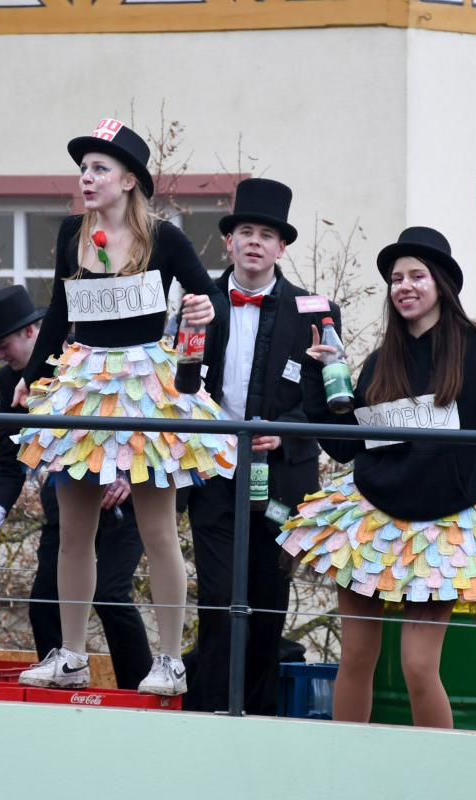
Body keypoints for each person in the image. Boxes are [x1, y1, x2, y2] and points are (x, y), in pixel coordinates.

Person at [280, 226, 476, 725]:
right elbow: (345, 446)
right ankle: (342, 763)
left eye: (417, 276)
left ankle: (435, 766)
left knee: (419, 667)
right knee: (356, 658)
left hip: (443, 526)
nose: (405, 286)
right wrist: (317, 374)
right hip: (372, 522)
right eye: (397, 279)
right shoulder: (382, 359)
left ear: (441, 282)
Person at [11, 119, 233, 696]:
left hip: (145, 384)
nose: (87, 178)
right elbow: (58, 312)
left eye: (99, 169)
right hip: (83, 382)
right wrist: (31, 379)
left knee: (157, 530)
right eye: (83, 169)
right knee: (72, 532)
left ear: (129, 180)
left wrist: (205, 313)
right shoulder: (71, 232)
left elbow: (212, 297)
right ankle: (71, 656)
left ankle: (169, 661)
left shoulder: (165, 237)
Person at [0, 285, 154, 689]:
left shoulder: (89, 356)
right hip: (66, 503)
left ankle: (140, 693)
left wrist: (130, 476)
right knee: (44, 603)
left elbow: (144, 417)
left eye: (3, 344)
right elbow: (11, 464)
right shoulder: (10, 380)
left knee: (111, 596)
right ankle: (60, 686)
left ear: (31, 332)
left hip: (121, 499)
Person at [184, 178, 334, 714]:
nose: (254, 242)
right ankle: (210, 716)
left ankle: (260, 721)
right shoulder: (199, 303)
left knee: (269, 606)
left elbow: (327, 402)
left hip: (281, 479)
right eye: (245, 231)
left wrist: (286, 429)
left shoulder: (315, 311)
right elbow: (176, 385)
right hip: (213, 473)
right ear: (229, 241)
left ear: (281, 248)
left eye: (266, 235)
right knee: (219, 600)